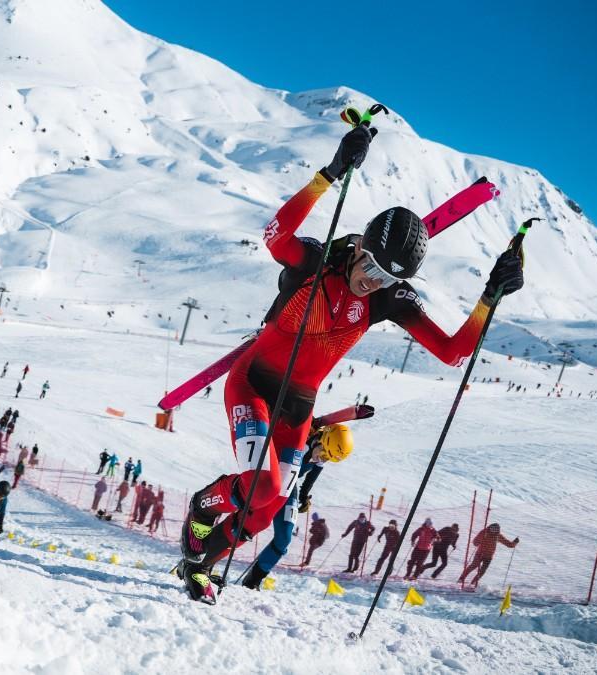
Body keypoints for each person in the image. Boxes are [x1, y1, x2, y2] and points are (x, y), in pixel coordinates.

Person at [176, 124, 525, 603]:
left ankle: (200, 564)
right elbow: (275, 235)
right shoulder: (316, 262)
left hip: (298, 406)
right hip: (254, 384)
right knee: (263, 483)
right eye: (370, 268)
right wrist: (331, 174)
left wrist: (490, 296)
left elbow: (452, 351)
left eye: (385, 278)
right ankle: (204, 504)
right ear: (360, 246)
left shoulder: (386, 299)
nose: (372, 283)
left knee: (268, 504)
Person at [241, 420, 361, 590]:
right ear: (321, 440)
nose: (323, 458)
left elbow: (313, 474)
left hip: (289, 486)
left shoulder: (323, 449)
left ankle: (252, 581)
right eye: (324, 454)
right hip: (269, 481)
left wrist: (304, 496)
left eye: (328, 458)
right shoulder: (300, 440)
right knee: (246, 525)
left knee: (284, 539)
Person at [459, 523, 520, 588]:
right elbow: (475, 542)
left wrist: (515, 542)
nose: (494, 530)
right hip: (480, 554)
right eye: (492, 528)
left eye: (496, 529)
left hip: (489, 556)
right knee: (474, 566)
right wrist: (478, 542)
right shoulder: (484, 532)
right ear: (490, 528)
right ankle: (461, 579)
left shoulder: (497, 536)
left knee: (482, 571)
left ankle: (473, 583)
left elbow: (508, 544)